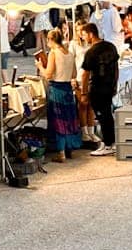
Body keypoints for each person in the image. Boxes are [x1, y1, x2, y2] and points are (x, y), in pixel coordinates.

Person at [41, 29, 81, 162]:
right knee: (69, 119)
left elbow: (48, 74)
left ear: (51, 40)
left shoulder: (54, 53)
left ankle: (61, 152)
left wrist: (40, 66)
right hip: (68, 89)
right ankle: (70, 149)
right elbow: (74, 74)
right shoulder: (69, 53)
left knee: (58, 120)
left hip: (57, 89)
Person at [81, 23, 119, 157]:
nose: (83, 38)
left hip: (98, 88)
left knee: (103, 116)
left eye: (84, 35)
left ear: (91, 34)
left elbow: (85, 74)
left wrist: (84, 93)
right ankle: (110, 142)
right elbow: (116, 68)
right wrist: (115, 84)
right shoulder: (111, 47)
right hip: (109, 86)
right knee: (107, 115)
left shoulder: (91, 52)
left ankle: (108, 144)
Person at [69, 20, 100, 143]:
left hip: (92, 77)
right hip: (79, 76)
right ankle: (84, 132)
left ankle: (91, 132)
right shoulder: (73, 44)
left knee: (91, 105)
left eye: (82, 30)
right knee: (82, 104)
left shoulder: (91, 43)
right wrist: (72, 77)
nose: (80, 33)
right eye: (78, 30)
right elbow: (71, 62)